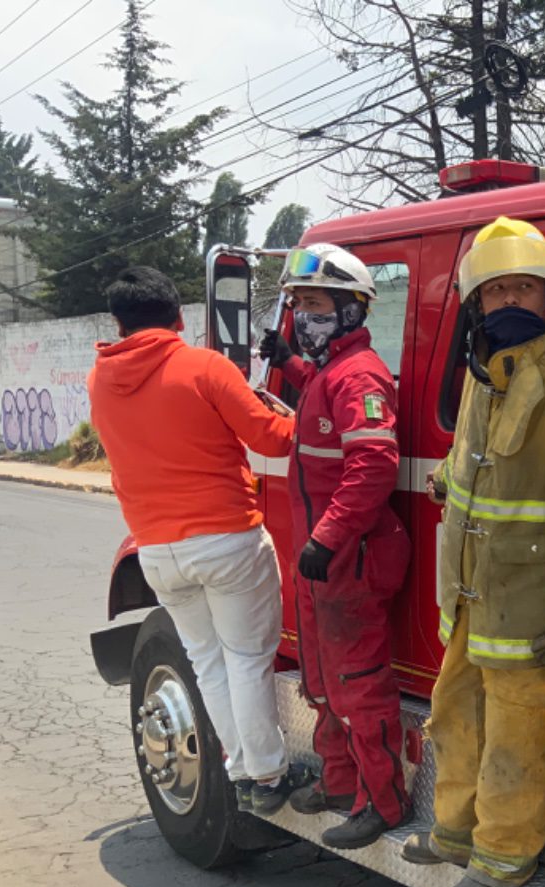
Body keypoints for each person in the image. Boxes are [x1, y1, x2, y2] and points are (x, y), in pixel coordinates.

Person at [403, 217, 545, 887]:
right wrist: (446, 478)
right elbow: (477, 462)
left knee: (516, 735)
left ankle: (503, 859)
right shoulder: (485, 374)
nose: (507, 302)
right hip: (474, 599)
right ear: (477, 302)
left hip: (534, 604)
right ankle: (453, 833)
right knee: (455, 715)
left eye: (521, 288)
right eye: (494, 290)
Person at [90, 266, 312, 812]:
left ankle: (242, 771)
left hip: (156, 550)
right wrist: (305, 413)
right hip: (226, 540)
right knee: (246, 657)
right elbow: (273, 439)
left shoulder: (100, 379)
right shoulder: (203, 367)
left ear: (119, 324)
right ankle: (265, 774)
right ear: (179, 316)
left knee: (207, 661)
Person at [258, 243, 412, 850]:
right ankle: (340, 781)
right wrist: (290, 364)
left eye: (317, 306)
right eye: (298, 306)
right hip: (324, 559)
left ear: (351, 312)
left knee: (358, 683)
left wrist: (326, 538)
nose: (305, 317)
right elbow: (321, 400)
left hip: (349, 556)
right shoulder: (329, 372)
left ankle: (383, 804)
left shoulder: (362, 375)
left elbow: (372, 466)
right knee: (321, 681)